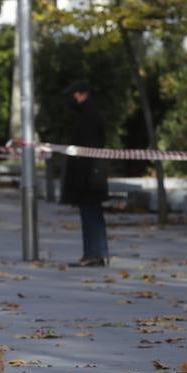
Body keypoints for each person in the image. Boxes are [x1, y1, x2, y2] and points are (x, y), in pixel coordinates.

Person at [59, 79, 110, 267]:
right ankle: (96, 253)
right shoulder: (88, 114)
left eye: (74, 95)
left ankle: (93, 254)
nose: (72, 99)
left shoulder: (89, 116)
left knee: (91, 215)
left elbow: (87, 149)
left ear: (82, 94)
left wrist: (83, 176)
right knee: (92, 214)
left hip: (88, 175)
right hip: (90, 174)